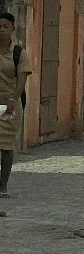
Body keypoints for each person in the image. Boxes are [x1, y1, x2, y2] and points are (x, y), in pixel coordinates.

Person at [0, 11, 32, 198]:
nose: (2, 30)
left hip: (9, 105)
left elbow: (22, 79)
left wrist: (13, 98)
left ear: (12, 29)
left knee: (5, 146)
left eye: (6, 27)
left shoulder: (19, 53)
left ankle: (3, 186)